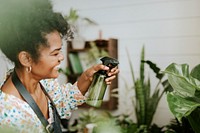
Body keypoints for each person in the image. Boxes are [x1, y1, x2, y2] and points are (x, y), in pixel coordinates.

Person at [0, 0, 119, 133]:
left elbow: (64, 101)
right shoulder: (8, 113)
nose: (61, 57)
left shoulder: (44, 83)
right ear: (26, 59)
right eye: (55, 53)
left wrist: (87, 77)